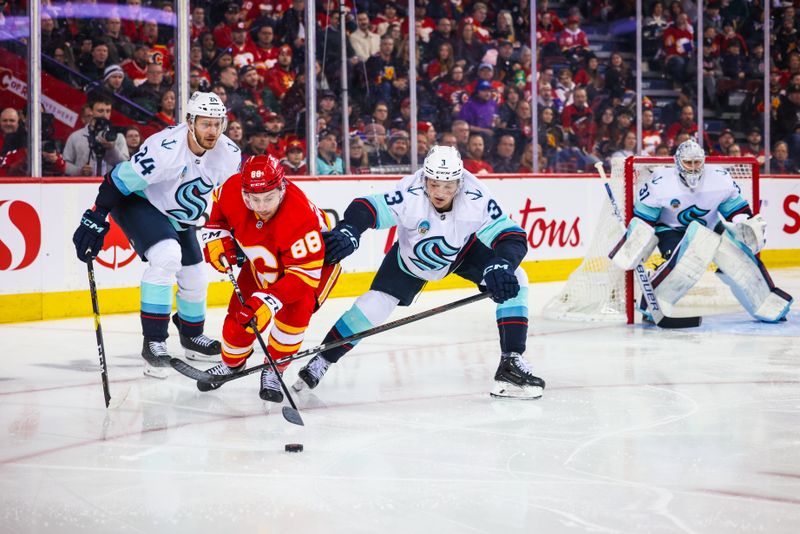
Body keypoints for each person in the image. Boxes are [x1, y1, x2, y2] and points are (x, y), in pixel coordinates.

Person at [292, 145, 545, 399]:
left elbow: (511, 235)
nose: (440, 192)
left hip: (462, 253)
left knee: (516, 278)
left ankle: (511, 361)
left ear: (460, 182)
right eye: (434, 184)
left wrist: (502, 263)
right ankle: (322, 360)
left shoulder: (476, 195)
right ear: (425, 178)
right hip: (409, 260)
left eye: (448, 186)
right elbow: (366, 207)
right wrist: (349, 230)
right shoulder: (410, 193)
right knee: (373, 306)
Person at [71, 91, 242, 377]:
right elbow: (117, 180)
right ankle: (154, 343)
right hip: (139, 202)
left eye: (217, 123)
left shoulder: (229, 153)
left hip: (178, 214)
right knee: (166, 256)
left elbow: (233, 201)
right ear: (190, 122)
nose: (212, 131)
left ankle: (191, 335)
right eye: (205, 124)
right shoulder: (165, 150)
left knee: (196, 275)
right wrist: (96, 215)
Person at [197, 155, 341, 401]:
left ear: (282, 188)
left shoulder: (299, 215)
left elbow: (304, 276)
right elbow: (218, 212)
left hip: (309, 270)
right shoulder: (232, 189)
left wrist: (268, 301)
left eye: (269, 198)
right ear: (244, 193)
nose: (262, 206)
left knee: (290, 324)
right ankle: (233, 364)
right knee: (237, 323)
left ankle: (274, 369)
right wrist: (216, 237)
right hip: (263, 264)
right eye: (254, 199)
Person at [609, 140, 793, 323]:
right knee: (688, 259)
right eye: (688, 163)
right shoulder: (660, 183)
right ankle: (653, 304)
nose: (693, 168)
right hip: (672, 229)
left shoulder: (720, 178)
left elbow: (737, 210)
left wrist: (743, 225)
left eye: (697, 162)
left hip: (710, 227)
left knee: (739, 260)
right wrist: (635, 243)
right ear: (678, 162)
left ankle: (766, 304)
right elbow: (644, 220)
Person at [63, 93, 129, 176]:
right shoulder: (75, 137)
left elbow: (126, 167)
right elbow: (65, 163)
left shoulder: (118, 137)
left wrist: (112, 148)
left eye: (108, 111)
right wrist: (79, 171)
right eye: (100, 111)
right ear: (91, 111)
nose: (105, 115)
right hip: (82, 186)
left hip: (109, 186)